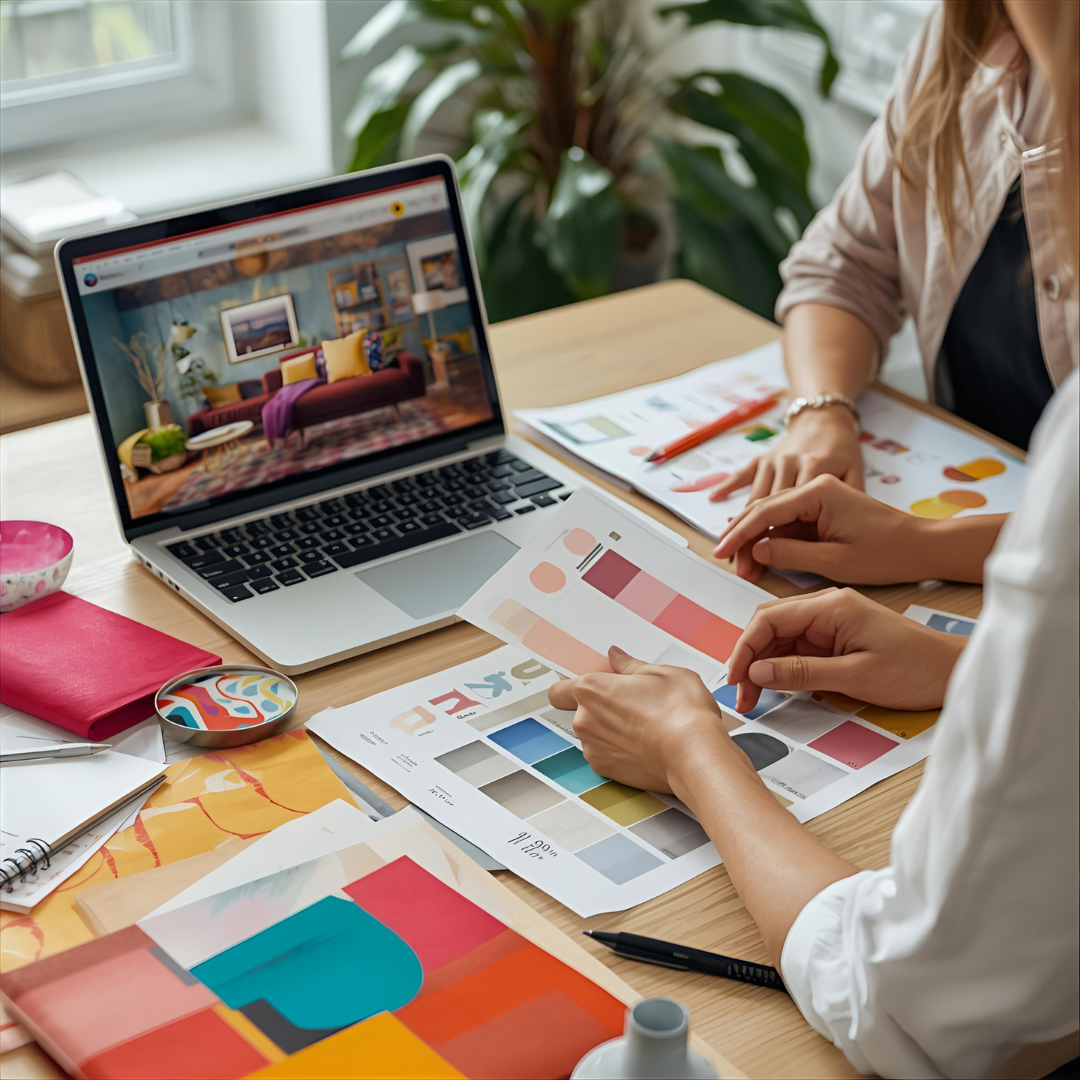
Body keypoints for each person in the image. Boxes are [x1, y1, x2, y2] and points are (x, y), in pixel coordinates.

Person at [548, 2, 1080, 1074]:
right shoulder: (967, 45)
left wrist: (694, 752)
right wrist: (960, 638)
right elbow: (839, 266)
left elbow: (904, 1002)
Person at [708, 0, 1076, 518]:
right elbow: (845, 264)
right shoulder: (962, 42)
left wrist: (921, 547)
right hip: (970, 490)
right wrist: (821, 411)